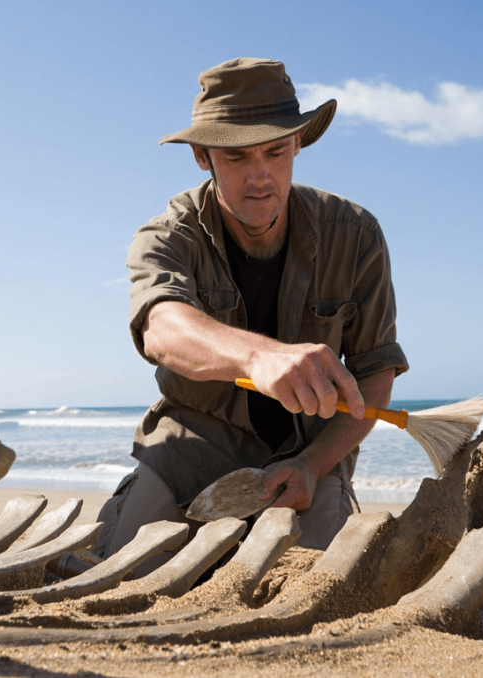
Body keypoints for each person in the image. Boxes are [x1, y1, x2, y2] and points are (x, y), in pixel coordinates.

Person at [97, 58, 408, 568]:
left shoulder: (356, 236)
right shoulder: (168, 235)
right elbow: (161, 326)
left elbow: (375, 375)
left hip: (308, 465)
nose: (261, 177)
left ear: (298, 144)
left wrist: (311, 465)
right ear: (202, 156)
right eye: (237, 158)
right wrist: (257, 356)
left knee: (321, 589)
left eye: (275, 151)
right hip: (186, 456)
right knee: (125, 573)